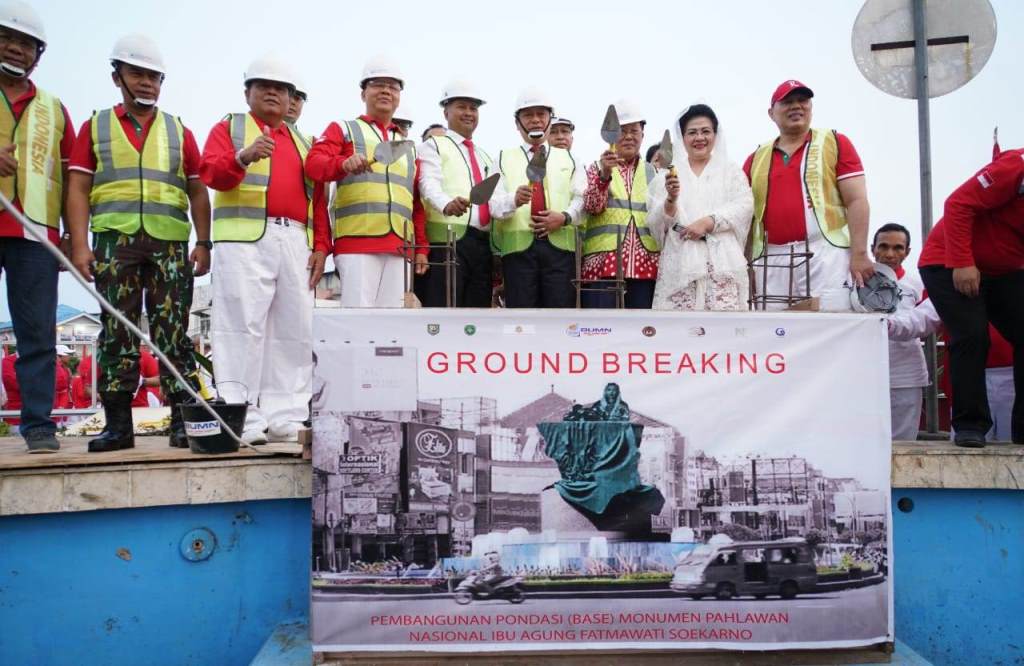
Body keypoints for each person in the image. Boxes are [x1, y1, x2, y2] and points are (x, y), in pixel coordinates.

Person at [67, 35, 210, 453]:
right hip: (115, 242)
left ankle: (182, 421)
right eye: (137, 74)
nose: (146, 83)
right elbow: (78, 188)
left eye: (154, 76)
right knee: (118, 331)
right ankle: (118, 427)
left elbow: (197, 190)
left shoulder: (178, 130)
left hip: (170, 243)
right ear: (118, 77)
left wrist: (204, 242)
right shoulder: (95, 126)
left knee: (174, 333)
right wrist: (80, 245)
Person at [200, 55, 330, 444]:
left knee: (295, 329)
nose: (273, 93)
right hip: (243, 240)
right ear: (248, 93)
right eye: (264, 87)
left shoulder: (304, 142)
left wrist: (321, 246)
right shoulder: (230, 127)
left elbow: (318, 199)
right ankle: (243, 416)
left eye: (281, 89)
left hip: (295, 240)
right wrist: (243, 156)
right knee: (241, 327)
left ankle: (286, 416)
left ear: (291, 98)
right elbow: (210, 172)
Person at [0, 2, 75, 452]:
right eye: (7, 38)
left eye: (26, 44)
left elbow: (69, 178)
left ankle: (39, 425)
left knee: (38, 332)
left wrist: (70, 236)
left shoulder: (54, 108)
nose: (16, 48)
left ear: (38, 55)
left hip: (35, 231)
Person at [916, 147, 1023, 447]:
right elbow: (958, 203)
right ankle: (970, 424)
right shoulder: (1016, 166)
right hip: (949, 260)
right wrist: (962, 262)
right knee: (973, 335)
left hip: (1005, 267)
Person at [306, 55, 428, 308]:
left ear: (399, 96)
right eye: (377, 84)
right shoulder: (343, 129)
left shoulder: (408, 146)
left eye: (393, 86)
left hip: (400, 249)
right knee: (357, 322)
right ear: (363, 93)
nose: (386, 90)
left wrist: (422, 248)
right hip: (356, 245)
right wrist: (342, 164)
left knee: (392, 325)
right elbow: (314, 166)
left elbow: (415, 203)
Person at [743, 80, 874, 308]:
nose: (796, 106)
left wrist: (860, 253)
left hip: (824, 252)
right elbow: (746, 217)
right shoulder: (756, 158)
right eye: (787, 102)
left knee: (828, 321)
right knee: (773, 326)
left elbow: (856, 200)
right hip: (770, 257)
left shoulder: (835, 142)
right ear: (771, 113)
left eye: (802, 100)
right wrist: (746, 266)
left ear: (811, 107)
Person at [489, 87, 585, 308]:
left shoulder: (570, 159)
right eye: (528, 115)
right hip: (518, 253)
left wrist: (565, 217)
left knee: (560, 316)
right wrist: (513, 200)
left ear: (550, 119)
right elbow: (493, 204)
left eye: (541, 114)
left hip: (560, 252)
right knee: (521, 318)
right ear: (517, 123)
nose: (535, 120)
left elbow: (582, 199)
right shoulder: (502, 158)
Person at [652, 104, 753, 311]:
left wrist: (710, 221)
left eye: (705, 131)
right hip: (681, 262)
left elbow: (744, 205)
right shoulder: (668, 175)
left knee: (723, 323)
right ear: (682, 137)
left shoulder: (730, 171)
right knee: (679, 325)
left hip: (722, 261)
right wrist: (671, 199)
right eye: (692, 132)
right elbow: (658, 222)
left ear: (715, 135)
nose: (699, 138)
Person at [581, 99, 668, 308]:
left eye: (634, 131)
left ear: (642, 135)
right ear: (611, 134)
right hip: (603, 264)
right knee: (602, 324)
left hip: (645, 264)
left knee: (643, 326)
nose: (628, 136)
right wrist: (604, 175)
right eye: (622, 131)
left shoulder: (654, 173)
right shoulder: (595, 168)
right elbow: (592, 206)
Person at [417, 80, 494, 307]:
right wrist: (446, 204)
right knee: (443, 313)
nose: (469, 113)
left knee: (476, 315)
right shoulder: (434, 145)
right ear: (446, 112)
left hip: (482, 245)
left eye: (474, 108)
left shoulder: (484, 155)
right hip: (446, 244)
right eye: (462, 107)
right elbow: (428, 183)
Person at [872, 223, 927, 440]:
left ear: (907, 252)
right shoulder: (854, 281)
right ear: (872, 249)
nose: (889, 254)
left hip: (906, 376)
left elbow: (927, 323)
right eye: (883, 246)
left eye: (898, 248)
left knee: (904, 445)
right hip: (865, 374)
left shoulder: (918, 284)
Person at [131, 342, 162, 407]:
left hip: (139, 406)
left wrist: (142, 381)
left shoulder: (144, 356)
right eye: (143, 346)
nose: (146, 348)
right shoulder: (109, 358)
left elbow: (161, 379)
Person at [53, 344, 72, 410]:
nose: (69, 356)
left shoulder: (64, 368)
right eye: (68, 354)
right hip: (58, 405)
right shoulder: (56, 368)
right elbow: (60, 389)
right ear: (60, 356)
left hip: (62, 405)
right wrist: (61, 406)